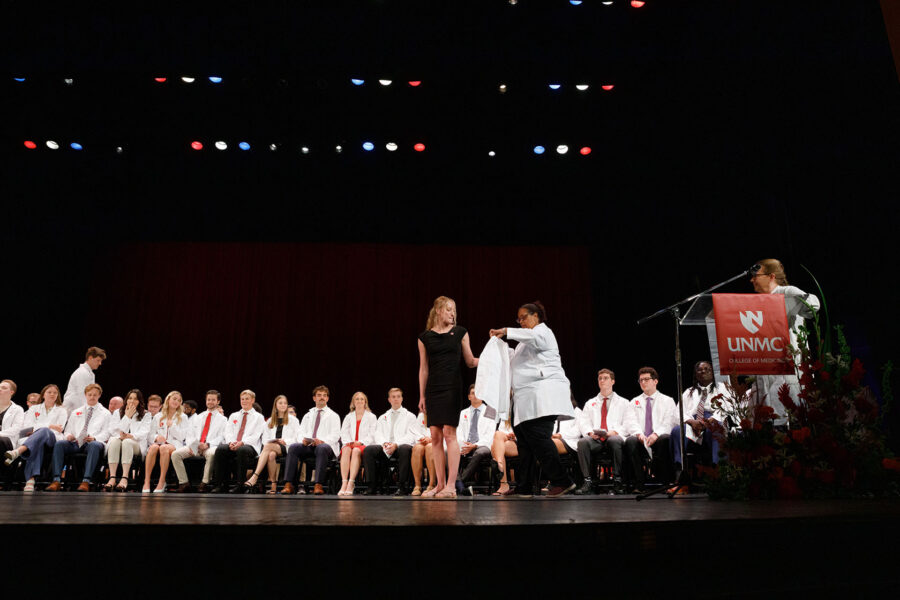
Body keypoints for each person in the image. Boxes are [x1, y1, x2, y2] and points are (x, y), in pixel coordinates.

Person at [490, 301, 576, 497]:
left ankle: (563, 481)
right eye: (518, 319)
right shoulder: (523, 344)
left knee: (538, 439)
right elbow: (510, 361)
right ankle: (524, 486)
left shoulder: (543, 333)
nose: (520, 322)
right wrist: (489, 357)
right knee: (524, 443)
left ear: (536, 316)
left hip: (543, 398)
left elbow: (531, 337)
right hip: (526, 402)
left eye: (523, 317)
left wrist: (505, 331)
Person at [417, 296, 479, 498]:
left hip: (452, 387)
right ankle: (440, 485)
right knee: (435, 436)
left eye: (454, 310)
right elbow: (423, 369)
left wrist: (493, 359)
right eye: (449, 310)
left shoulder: (460, 332)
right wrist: (422, 395)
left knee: (449, 435)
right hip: (433, 389)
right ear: (438, 311)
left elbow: (470, 361)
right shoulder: (425, 337)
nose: (452, 314)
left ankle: (451, 486)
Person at [750, 259, 821, 426]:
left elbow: (814, 304)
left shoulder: (786, 291)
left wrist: (800, 303)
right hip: (766, 368)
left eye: (756, 276)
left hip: (788, 368)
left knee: (792, 418)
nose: (752, 280)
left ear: (771, 276)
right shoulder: (757, 302)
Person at [575, 369, 636, 495]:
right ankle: (588, 481)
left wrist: (614, 432)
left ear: (613, 381)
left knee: (614, 440)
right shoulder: (590, 403)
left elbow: (629, 423)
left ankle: (617, 480)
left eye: (605, 378)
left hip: (614, 436)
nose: (602, 380)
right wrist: (590, 433)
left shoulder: (624, 403)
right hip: (596, 439)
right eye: (600, 378)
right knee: (582, 442)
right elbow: (584, 422)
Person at [45, 383, 111, 491]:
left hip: (92, 443)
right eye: (89, 394)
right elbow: (68, 430)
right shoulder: (76, 412)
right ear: (85, 395)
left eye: (95, 395)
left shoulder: (105, 413)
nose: (92, 397)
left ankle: (86, 481)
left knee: (94, 445)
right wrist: (69, 435)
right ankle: (56, 480)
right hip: (76, 442)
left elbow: (107, 432)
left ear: (99, 396)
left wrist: (95, 438)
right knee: (60, 444)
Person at [670, 361, 730, 482]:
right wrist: (692, 422)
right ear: (695, 374)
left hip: (713, 420)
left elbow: (728, 406)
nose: (703, 371)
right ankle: (680, 470)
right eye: (699, 370)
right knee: (677, 431)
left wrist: (711, 420)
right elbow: (678, 412)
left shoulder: (722, 388)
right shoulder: (689, 392)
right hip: (693, 422)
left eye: (706, 369)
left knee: (716, 430)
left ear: (712, 372)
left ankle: (717, 471)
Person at [4, 384, 67, 492]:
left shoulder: (62, 410)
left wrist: (45, 427)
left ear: (58, 395)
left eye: (55, 393)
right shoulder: (33, 409)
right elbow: (28, 426)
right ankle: (30, 480)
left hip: (52, 440)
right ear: (43, 395)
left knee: (44, 431)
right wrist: (50, 425)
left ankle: (18, 451)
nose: (52, 394)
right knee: (37, 443)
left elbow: (59, 429)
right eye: (49, 392)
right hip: (36, 440)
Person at [625, 367, 677, 493]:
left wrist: (656, 434)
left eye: (646, 379)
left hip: (659, 438)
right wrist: (639, 434)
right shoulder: (634, 401)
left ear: (655, 381)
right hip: (642, 439)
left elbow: (669, 421)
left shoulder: (667, 400)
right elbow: (630, 421)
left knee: (665, 438)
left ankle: (665, 483)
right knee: (631, 441)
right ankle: (640, 483)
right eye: (641, 380)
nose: (643, 382)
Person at [280, 386, 340, 495]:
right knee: (293, 447)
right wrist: (303, 440)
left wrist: (322, 441)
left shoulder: (334, 416)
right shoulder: (308, 415)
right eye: (319, 395)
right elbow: (301, 432)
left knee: (321, 448)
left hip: (326, 447)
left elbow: (335, 435)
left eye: (324, 395)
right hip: (309, 446)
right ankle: (289, 484)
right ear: (314, 398)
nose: (322, 398)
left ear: (327, 399)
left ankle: (318, 485)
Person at [364, 388, 418, 496]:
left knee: (405, 449)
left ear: (402, 398)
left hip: (400, 446)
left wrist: (396, 444)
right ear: (389, 399)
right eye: (393, 397)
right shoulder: (382, 417)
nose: (396, 399)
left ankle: (402, 486)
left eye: (398, 396)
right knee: (369, 450)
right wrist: (384, 443)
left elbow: (411, 435)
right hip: (386, 446)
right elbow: (377, 433)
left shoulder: (410, 416)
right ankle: (372, 486)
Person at [171, 390, 227, 492]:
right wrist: (194, 446)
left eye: (213, 400)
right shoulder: (198, 417)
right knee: (175, 454)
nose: (210, 402)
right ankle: (184, 483)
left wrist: (208, 444)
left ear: (218, 401)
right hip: (195, 446)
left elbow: (222, 437)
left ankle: (204, 483)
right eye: (208, 399)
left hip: (209, 446)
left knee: (212, 454)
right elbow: (189, 434)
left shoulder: (223, 419)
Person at [211, 389, 266, 493]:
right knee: (221, 449)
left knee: (242, 450)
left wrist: (242, 442)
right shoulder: (234, 415)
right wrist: (231, 442)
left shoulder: (259, 417)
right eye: (242, 399)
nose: (244, 401)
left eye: (247, 399)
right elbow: (228, 432)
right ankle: (221, 484)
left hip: (250, 446)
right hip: (234, 443)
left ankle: (240, 484)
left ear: (252, 400)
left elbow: (256, 435)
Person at [245, 394, 301, 493]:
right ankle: (273, 484)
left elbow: (297, 438)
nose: (283, 405)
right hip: (272, 447)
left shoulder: (294, 420)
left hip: (288, 447)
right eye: (280, 403)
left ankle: (255, 476)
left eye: (285, 403)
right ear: (276, 405)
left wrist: (284, 441)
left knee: (268, 447)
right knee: (271, 455)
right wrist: (273, 440)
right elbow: (264, 439)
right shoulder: (270, 421)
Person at [141, 390, 190, 493]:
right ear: (168, 400)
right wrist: (156, 437)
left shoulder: (183, 417)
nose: (176, 402)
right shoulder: (158, 416)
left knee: (164, 448)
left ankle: (162, 481)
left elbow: (182, 437)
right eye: (174, 399)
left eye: (179, 400)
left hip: (174, 445)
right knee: (154, 447)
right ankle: (146, 481)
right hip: (159, 444)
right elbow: (150, 435)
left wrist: (172, 426)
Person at [104, 389, 151, 491]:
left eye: (135, 399)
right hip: (119, 440)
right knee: (115, 441)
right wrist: (127, 416)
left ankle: (124, 478)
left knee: (127, 442)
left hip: (136, 443)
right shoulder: (118, 412)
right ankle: (112, 478)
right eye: (130, 398)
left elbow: (144, 432)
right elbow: (113, 429)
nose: (132, 401)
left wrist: (130, 436)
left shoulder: (146, 414)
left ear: (139, 401)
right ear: (126, 400)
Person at [455, 385, 497, 496]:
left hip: (482, 445)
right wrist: (464, 445)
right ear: (469, 397)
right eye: (473, 393)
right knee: (449, 452)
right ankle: (459, 485)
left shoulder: (490, 410)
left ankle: (459, 483)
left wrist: (474, 445)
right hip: (465, 445)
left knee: (480, 452)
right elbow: (459, 432)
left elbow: (490, 434)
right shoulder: (463, 412)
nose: (476, 395)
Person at [337, 391, 376, 496]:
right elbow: (343, 432)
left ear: (365, 402)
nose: (359, 401)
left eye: (362, 399)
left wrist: (360, 442)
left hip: (364, 445)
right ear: (353, 402)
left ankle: (351, 482)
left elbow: (373, 435)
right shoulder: (348, 416)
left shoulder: (371, 417)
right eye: (357, 399)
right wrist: (349, 442)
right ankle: (344, 482)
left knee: (355, 450)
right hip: (350, 444)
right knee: (345, 449)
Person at [62, 346, 106, 414]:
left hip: (79, 410)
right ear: (90, 358)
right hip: (73, 411)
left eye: (101, 361)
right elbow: (82, 396)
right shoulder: (82, 373)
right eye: (98, 360)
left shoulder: (89, 373)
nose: (100, 363)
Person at [410, 410, 436, 496]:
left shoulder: (441, 411)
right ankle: (417, 485)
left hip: (437, 442)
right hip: (423, 441)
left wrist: (432, 439)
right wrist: (422, 438)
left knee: (430, 447)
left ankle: (432, 484)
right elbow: (415, 431)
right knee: (417, 448)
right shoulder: (421, 415)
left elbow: (445, 431)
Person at [490, 417, 518, 496]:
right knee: (498, 434)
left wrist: (515, 435)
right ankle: (500, 463)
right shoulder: (505, 412)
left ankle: (503, 483)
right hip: (506, 442)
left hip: (521, 443)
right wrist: (508, 435)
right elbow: (502, 432)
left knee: (495, 448)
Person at [0, 380, 25, 454]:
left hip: (7, 440)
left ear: (11, 392)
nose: (0, 389)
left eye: (4, 388)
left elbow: (16, 429)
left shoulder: (18, 409)